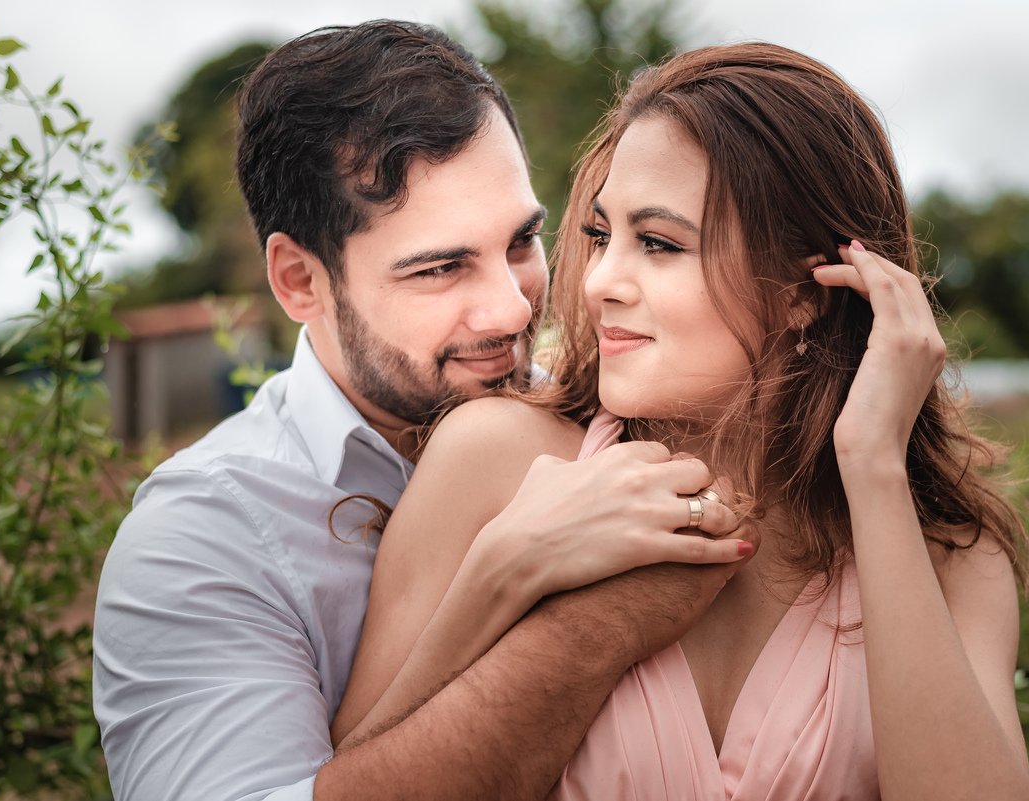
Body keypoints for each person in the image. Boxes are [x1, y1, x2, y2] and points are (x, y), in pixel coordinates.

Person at [330, 43, 1029, 800]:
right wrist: (502, 571)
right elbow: (353, 779)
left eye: (660, 244)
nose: (599, 283)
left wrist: (872, 465)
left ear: (807, 292)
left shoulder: (953, 556)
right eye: (602, 236)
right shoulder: (497, 460)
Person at [92, 22, 755, 801]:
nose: (512, 312)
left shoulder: (615, 418)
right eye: (441, 269)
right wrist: (580, 621)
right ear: (301, 280)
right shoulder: (201, 541)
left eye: (521, 241)